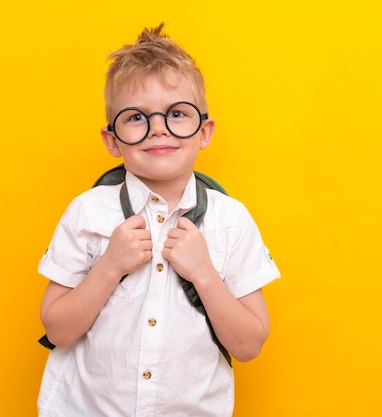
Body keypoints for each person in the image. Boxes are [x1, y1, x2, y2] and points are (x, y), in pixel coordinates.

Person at [37, 23, 280, 417]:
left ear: (204, 131)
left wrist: (204, 274)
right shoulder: (87, 212)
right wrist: (110, 265)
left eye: (177, 114)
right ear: (112, 139)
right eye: (136, 118)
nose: (158, 130)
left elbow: (249, 345)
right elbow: (58, 331)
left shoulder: (231, 221)